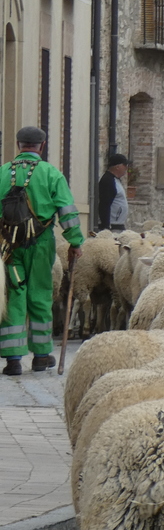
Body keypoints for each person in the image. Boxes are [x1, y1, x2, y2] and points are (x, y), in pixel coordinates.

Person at [0, 127, 83, 375]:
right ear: (42, 146)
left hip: (9, 247)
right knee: (40, 294)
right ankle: (41, 356)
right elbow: (67, 212)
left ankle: (13, 359)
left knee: (14, 295)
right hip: (41, 244)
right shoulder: (51, 174)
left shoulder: (3, 173)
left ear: (18, 145)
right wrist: (75, 242)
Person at [95, 153, 130, 232]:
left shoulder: (115, 180)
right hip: (112, 226)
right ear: (117, 167)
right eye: (124, 165)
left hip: (117, 225)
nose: (126, 168)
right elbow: (104, 204)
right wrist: (106, 226)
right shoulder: (108, 181)